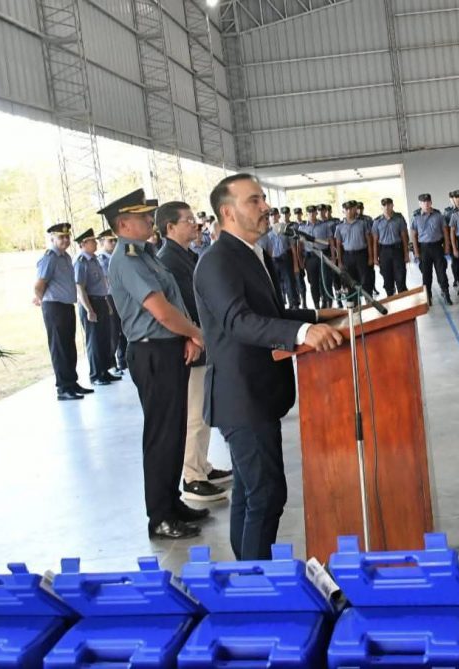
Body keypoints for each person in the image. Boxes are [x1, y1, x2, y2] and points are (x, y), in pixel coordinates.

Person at [193, 173, 345, 560]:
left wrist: (317, 316)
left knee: (250, 493)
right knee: (266, 495)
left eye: (263, 199)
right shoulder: (218, 261)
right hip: (241, 396)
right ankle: (256, 581)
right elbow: (239, 321)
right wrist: (303, 332)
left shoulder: (249, 253)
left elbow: (270, 313)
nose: (266, 207)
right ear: (228, 212)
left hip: (256, 393)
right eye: (254, 201)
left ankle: (246, 574)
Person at [104, 189, 208, 541]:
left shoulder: (146, 254)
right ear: (123, 224)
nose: (151, 220)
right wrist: (197, 334)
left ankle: (171, 503)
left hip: (169, 347)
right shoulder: (127, 259)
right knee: (161, 435)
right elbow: (161, 311)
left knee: (174, 431)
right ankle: (160, 517)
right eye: (143, 217)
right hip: (152, 353)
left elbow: (173, 302)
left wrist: (187, 337)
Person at [155, 200, 232, 505]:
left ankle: (202, 465)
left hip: (203, 339)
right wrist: (193, 335)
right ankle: (192, 477)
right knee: (194, 414)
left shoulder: (186, 255)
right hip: (191, 343)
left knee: (203, 410)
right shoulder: (168, 260)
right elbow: (180, 306)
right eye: (187, 220)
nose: (195, 225)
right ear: (170, 227)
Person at [34, 222, 91, 401]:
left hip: (66, 305)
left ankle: (72, 383)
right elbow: (39, 284)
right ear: (52, 238)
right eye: (61, 237)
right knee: (59, 348)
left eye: (67, 237)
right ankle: (63, 387)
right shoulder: (50, 258)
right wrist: (41, 299)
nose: (65, 240)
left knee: (69, 346)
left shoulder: (65, 257)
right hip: (54, 306)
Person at [73, 228, 119, 386]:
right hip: (90, 302)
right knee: (94, 341)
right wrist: (89, 309)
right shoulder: (81, 261)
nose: (95, 243)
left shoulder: (94, 259)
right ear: (83, 244)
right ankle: (96, 374)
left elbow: (102, 285)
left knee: (104, 338)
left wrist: (107, 304)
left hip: (101, 300)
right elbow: (80, 288)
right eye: (92, 241)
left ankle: (104, 371)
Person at [411, 194, 453, 306]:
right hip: (424, 249)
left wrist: (447, 246)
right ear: (420, 204)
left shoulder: (438, 216)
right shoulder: (416, 218)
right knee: (426, 274)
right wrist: (416, 252)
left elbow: (445, 232)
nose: (426, 204)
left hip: (437, 247)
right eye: (423, 202)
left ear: (431, 202)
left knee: (441, 272)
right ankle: (428, 296)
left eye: (428, 202)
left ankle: (446, 293)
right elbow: (414, 235)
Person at [97, 229, 127, 373]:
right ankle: (111, 364)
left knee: (123, 328)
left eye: (115, 240)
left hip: (121, 295)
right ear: (102, 242)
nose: (114, 243)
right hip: (109, 296)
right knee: (113, 331)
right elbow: (106, 280)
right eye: (110, 241)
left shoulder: (118, 256)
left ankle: (123, 360)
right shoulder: (101, 259)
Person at [371, 197, 409, 296]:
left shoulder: (399, 219)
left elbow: (404, 238)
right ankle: (390, 297)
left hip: (397, 250)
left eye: (389, 205)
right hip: (384, 252)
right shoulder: (377, 221)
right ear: (381, 207)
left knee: (400, 277)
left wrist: (406, 254)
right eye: (384, 205)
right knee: (387, 279)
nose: (387, 207)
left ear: (392, 206)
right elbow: (375, 241)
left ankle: (403, 299)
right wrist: (375, 258)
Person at [334, 201, 372, 297]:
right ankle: (353, 302)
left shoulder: (362, 223)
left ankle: (368, 300)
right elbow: (338, 245)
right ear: (343, 211)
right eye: (347, 209)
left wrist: (371, 257)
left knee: (365, 280)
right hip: (348, 256)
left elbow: (368, 241)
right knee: (350, 281)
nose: (349, 211)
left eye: (351, 209)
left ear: (355, 209)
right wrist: (340, 261)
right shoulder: (339, 227)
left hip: (361, 255)